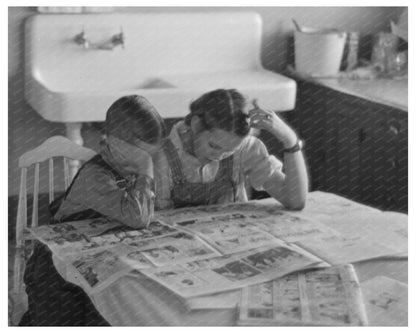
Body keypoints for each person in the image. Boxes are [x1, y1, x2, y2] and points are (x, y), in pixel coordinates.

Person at [20, 95, 166, 326]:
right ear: (115, 144)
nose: (143, 163)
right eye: (140, 156)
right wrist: (145, 170)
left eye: (149, 157)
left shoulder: (127, 171)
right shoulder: (95, 176)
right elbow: (139, 218)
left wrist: (140, 169)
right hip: (55, 273)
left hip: (90, 265)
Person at [154, 88, 308, 210]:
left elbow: (295, 201)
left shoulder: (246, 148)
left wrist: (290, 139)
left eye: (230, 150)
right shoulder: (163, 156)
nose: (218, 157)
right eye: (214, 146)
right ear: (195, 124)